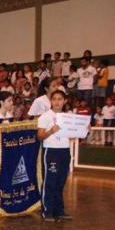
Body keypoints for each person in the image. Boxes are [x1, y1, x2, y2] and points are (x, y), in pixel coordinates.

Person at [37, 90, 73, 222]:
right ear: (51, 101)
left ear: (64, 101)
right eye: (54, 99)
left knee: (60, 182)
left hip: (64, 151)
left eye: (60, 99)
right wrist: (51, 131)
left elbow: (75, 133)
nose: (57, 102)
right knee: (50, 182)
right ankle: (47, 211)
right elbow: (39, 136)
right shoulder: (45, 117)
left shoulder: (68, 117)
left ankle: (59, 210)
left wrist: (85, 129)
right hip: (51, 151)